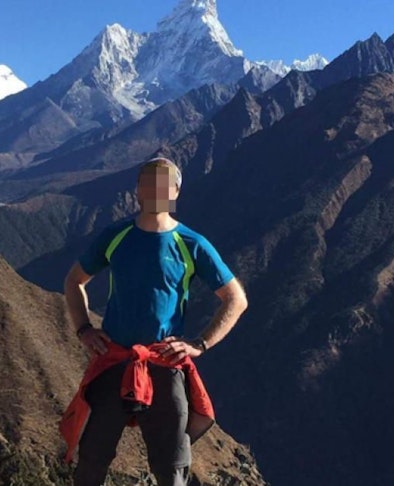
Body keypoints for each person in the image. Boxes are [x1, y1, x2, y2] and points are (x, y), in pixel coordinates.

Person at [61, 157, 248, 486]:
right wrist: (83, 328)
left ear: (175, 191)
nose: (154, 191)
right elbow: (74, 281)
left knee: (172, 465)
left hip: (165, 363)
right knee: (92, 458)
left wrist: (199, 344)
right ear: (137, 190)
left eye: (163, 185)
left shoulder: (191, 244)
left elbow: (236, 299)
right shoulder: (115, 236)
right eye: (148, 183)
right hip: (115, 359)